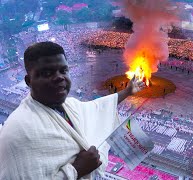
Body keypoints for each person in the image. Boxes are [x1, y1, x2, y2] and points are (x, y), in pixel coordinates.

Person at [0, 42, 146, 179]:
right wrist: (76, 170)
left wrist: (128, 91)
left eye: (63, 70)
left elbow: (98, 108)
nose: (59, 77)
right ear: (28, 80)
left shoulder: (70, 106)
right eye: (47, 73)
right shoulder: (17, 131)